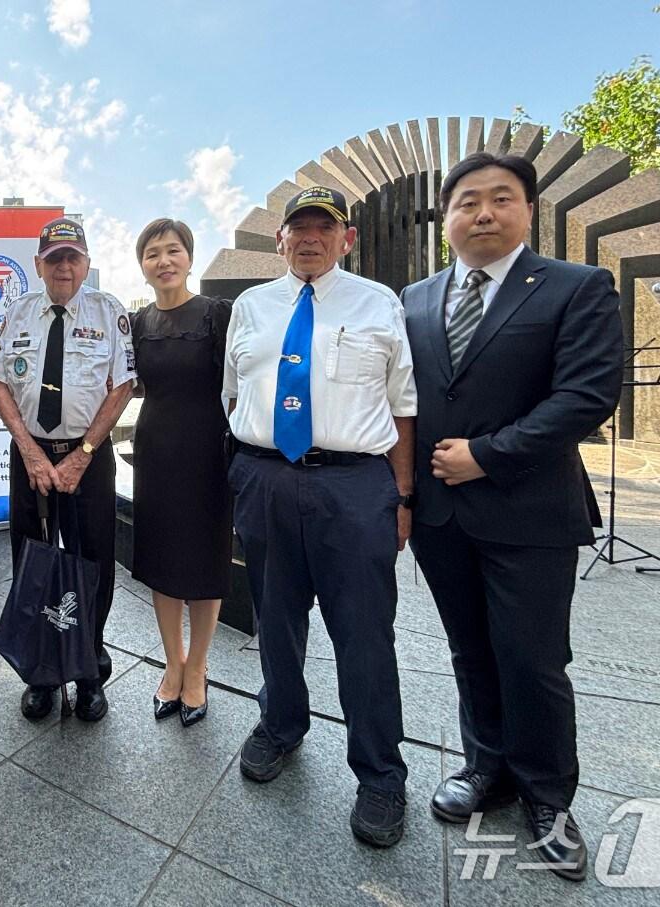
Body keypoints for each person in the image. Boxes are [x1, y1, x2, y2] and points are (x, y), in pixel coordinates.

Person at [400, 152, 624, 881]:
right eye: (468, 202)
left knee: (533, 661)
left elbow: (588, 395)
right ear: (447, 218)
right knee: (470, 651)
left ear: (528, 210)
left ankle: (550, 800)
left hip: (529, 510)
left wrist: (488, 454)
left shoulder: (577, 286)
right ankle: (485, 767)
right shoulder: (413, 298)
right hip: (440, 514)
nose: (484, 213)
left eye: (501, 199)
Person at [224, 186, 417, 848]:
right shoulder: (250, 307)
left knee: (363, 634)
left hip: (354, 486)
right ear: (279, 240)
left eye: (322, 227)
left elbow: (404, 406)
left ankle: (381, 772)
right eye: (297, 228)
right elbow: (232, 391)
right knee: (274, 619)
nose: (308, 238)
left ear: (347, 237)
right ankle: (280, 724)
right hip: (265, 477)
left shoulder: (378, 303)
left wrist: (403, 494)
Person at [0, 217, 135, 722]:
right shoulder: (19, 312)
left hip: (88, 458)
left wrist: (83, 453)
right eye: (55, 259)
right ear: (39, 265)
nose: (64, 267)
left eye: (73, 258)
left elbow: (122, 387)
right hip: (31, 454)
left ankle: (90, 664)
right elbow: (0, 385)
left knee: (94, 564)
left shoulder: (108, 311)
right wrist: (30, 452)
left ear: (87, 263)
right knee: (32, 561)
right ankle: (40, 671)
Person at [130, 218, 232, 726]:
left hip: (208, 453)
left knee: (205, 563)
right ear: (142, 265)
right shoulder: (139, 323)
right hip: (156, 453)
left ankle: (199, 668)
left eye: (173, 251)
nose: (163, 261)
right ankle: (173, 663)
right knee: (163, 562)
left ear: (189, 257)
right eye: (153, 253)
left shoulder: (217, 315)